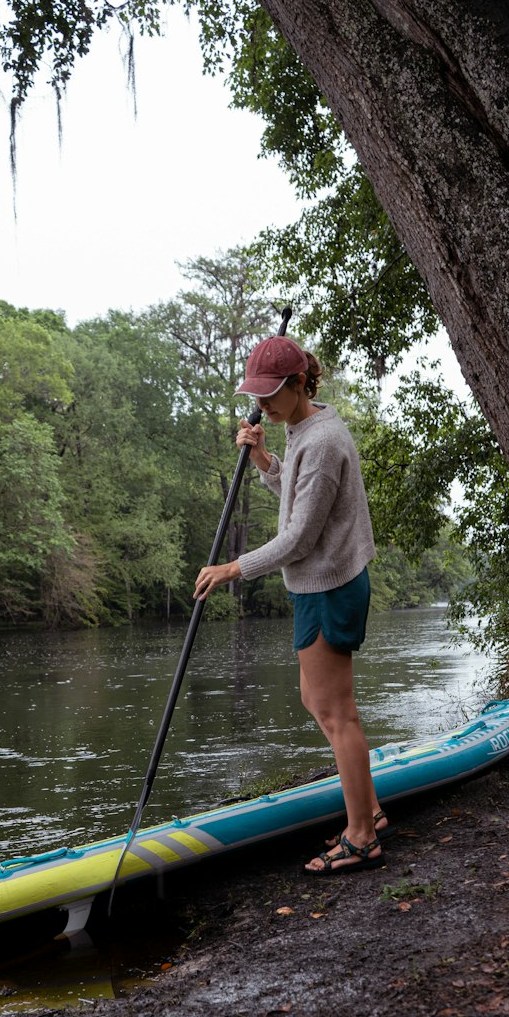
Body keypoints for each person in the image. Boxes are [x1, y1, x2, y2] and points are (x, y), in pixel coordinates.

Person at [194, 334, 387, 875]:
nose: (262, 405)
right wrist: (263, 460)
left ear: (299, 383)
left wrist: (234, 568)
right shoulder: (303, 429)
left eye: (271, 394)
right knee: (315, 700)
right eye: (257, 395)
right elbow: (301, 501)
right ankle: (367, 807)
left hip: (329, 584)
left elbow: (301, 538)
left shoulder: (323, 441)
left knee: (336, 712)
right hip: (315, 584)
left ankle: (362, 835)